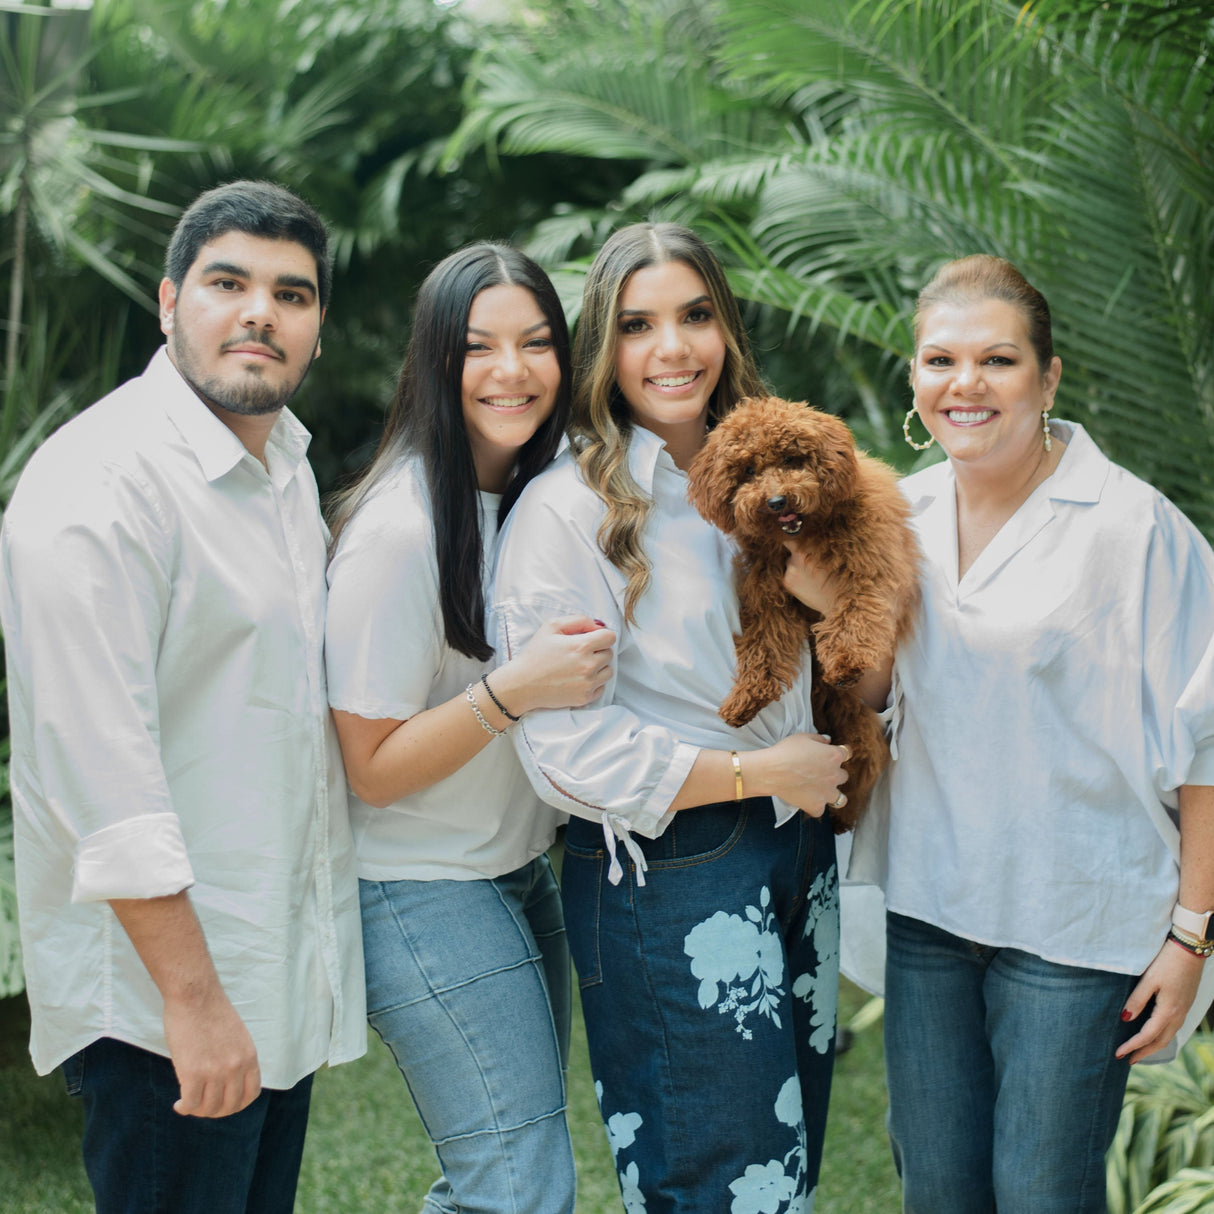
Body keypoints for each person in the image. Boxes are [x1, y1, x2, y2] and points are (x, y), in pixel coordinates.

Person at [0, 180, 366, 1214]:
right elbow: (101, 777)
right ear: (168, 303)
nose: (260, 312)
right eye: (227, 282)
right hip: (162, 1005)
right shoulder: (99, 485)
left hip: (266, 973)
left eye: (291, 294)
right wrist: (193, 1003)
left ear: (316, 329)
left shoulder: (282, 469)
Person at [491, 222, 856, 1213]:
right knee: (715, 1186)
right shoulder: (567, 511)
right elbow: (563, 750)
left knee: (782, 1173)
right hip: (670, 865)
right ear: (601, 349)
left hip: (794, 845)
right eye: (636, 324)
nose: (672, 347)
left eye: (695, 315)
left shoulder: (778, 483)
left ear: (726, 328)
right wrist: (760, 773)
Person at [847, 254, 1214, 1214]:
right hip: (932, 910)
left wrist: (1191, 938)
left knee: (1041, 1196)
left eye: (997, 361)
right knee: (939, 1190)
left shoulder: (1136, 530)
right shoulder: (899, 515)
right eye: (940, 361)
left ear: (1047, 379)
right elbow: (875, 692)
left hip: (1075, 929)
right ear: (916, 383)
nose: (965, 384)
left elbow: (1208, 748)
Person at [324, 242, 614, 1214]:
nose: (511, 369)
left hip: (514, 871)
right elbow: (367, 767)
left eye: (535, 343)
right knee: (517, 1185)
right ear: (434, 360)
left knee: (498, 1179)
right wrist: (511, 691)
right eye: (478, 346)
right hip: (417, 887)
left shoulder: (546, 497)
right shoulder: (401, 529)